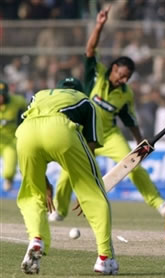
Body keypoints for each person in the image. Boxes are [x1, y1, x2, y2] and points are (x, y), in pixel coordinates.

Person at [49, 6, 165, 222]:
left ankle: (158, 203)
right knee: (67, 172)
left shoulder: (125, 93)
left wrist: (141, 144)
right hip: (83, 134)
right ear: (112, 69)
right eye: (121, 75)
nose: (123, 80)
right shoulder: (97, 75)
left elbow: (130, 120)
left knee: (134, 163)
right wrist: (99, 25)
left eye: (127, 77)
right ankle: (60, 210)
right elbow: (90, 49)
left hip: (108, 135)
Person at [16, 77, 118, 274]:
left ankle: (37, 238)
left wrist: (45, 184)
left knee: (32, 194)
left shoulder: (40, 95)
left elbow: (25, 125)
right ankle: (104, 259)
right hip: (60, 130)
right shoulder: (86, 100)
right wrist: (85, 188)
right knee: (94, 194)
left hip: (26, 133)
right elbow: (90, 146)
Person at [0, 80, 27, 192]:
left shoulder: (18, 102)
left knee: (9, 172)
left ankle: (8, 179)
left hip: (10, 141)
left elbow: (28, 114)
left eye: (1, 95)